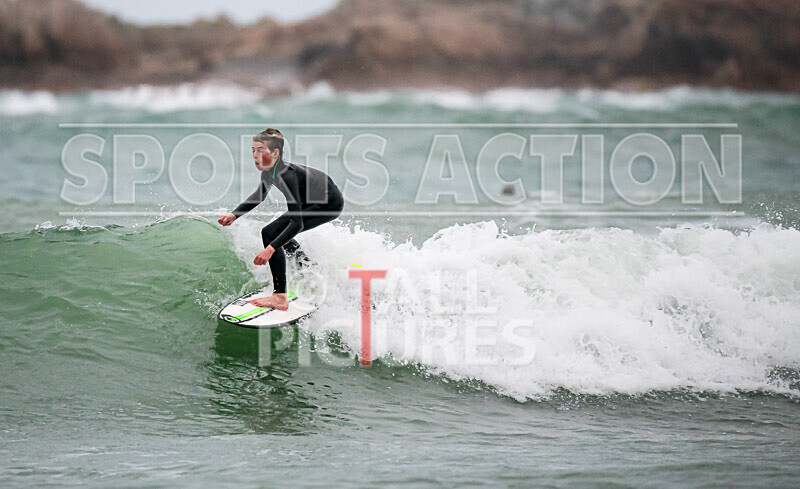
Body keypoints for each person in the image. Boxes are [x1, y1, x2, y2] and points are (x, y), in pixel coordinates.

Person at [218, 128, 344, 310]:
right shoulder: (269, 171)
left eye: (260, 150)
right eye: (253, 150)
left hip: (329, 204)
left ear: (275, 153)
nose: (255, 155)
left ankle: (280, 297)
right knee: (275, 232)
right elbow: (259, 196)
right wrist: (234, 215)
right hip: (314, 200)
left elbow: (297, 223)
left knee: (272, 233)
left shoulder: (287, 175)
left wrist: (270, 249)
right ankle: (309, 269)